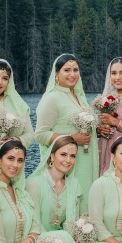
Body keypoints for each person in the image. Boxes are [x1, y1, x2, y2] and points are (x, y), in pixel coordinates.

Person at [35, 53, 98, 213]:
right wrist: (72, 139)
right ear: (56, 74)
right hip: (68, 162)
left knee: (86, 198)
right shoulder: (52, 98)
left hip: (86, 160)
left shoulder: (79, 97)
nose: (72, 74)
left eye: (75, 70)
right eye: (66, 70)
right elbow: (41, 134)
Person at [26, 135, 83, 232]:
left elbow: (74, 222)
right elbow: (33, 224)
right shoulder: (34, 184)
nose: (68, 160)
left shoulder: (74, 185)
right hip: (37, 239)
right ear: (52, 156)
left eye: (72, 156)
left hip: (65, 241)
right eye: (63, 154)